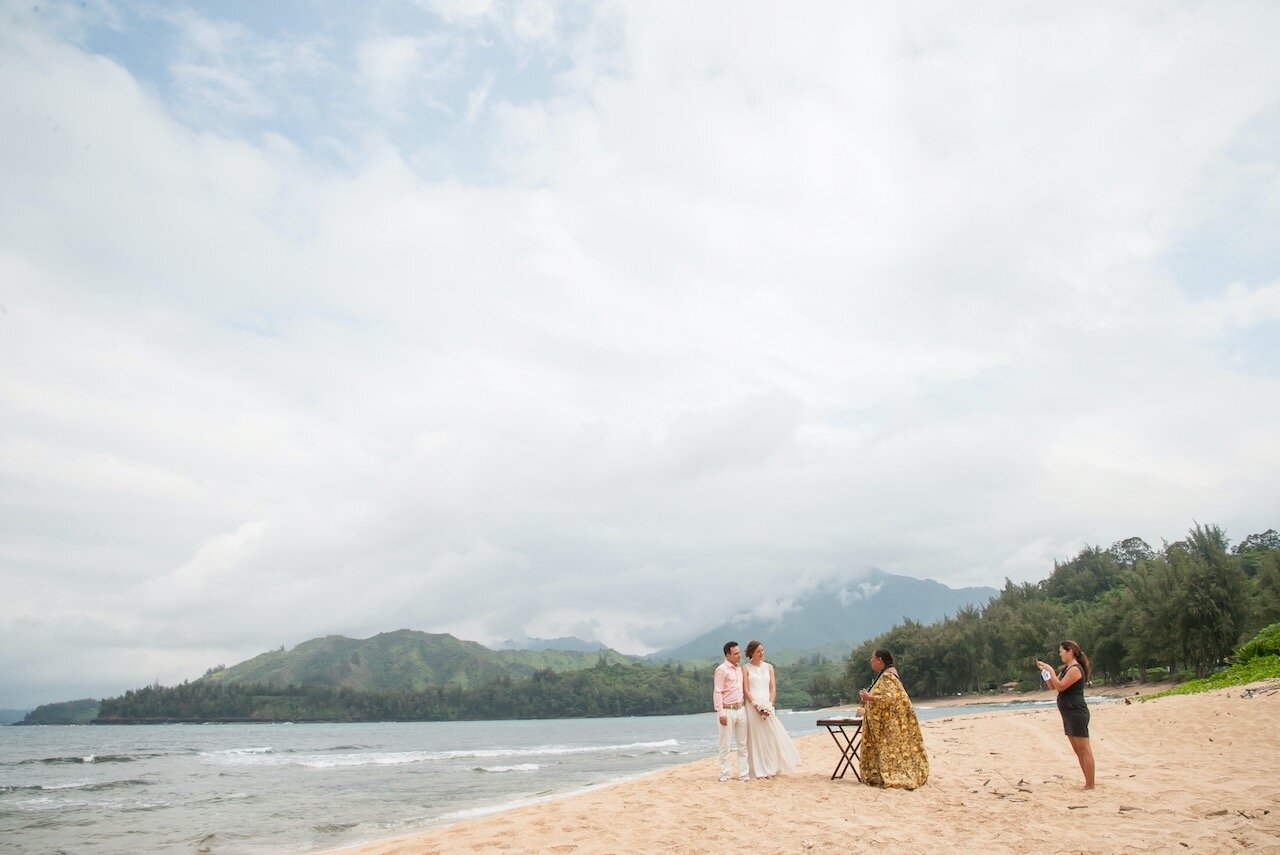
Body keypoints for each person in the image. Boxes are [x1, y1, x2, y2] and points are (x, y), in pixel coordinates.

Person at [856, 648, 928, 789]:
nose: (871, 661)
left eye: (872, 658)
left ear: (879, 660)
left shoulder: (888, 676)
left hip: (889, 724)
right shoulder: (886, 675)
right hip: (887, 722)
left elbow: (890, 698)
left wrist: (869, 697)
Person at [1037, 640, 1095, 789]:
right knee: (1077, 750)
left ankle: (1090, 784)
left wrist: (1050, 669)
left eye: (1061, 651)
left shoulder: (1075, 669)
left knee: (1084, 749)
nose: (1060, 654)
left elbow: (1062, 686)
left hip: (1076, 712)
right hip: (1068, 713)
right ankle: (1087, 781)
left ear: (1070, 652)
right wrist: (1047, 675)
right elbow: (1054, 686)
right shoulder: (1066, 669)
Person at [741, 640, 801, 779]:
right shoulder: (746, 668)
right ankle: (759, 771)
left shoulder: (769, 667)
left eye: (762, 650)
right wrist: (756, 706)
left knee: (771, 735)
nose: (761, 653)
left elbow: (773, 687)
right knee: (756, 738)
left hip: (767, 703)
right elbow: (746, 690)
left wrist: (770, 704)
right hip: (753, 705)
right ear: (751, 653)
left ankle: (771, 767)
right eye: (758, 651)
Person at [713, 640, 748, 782]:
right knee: (725, 745)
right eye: (736, 653)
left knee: (742, 744)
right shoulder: (721, 670)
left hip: (741, 709)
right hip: (727, 710)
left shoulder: (740, 669)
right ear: (728, 655)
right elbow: (717, 692)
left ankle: (744, 774)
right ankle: (725, 774)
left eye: (739, 653)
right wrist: (720, 712)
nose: (739, 655)